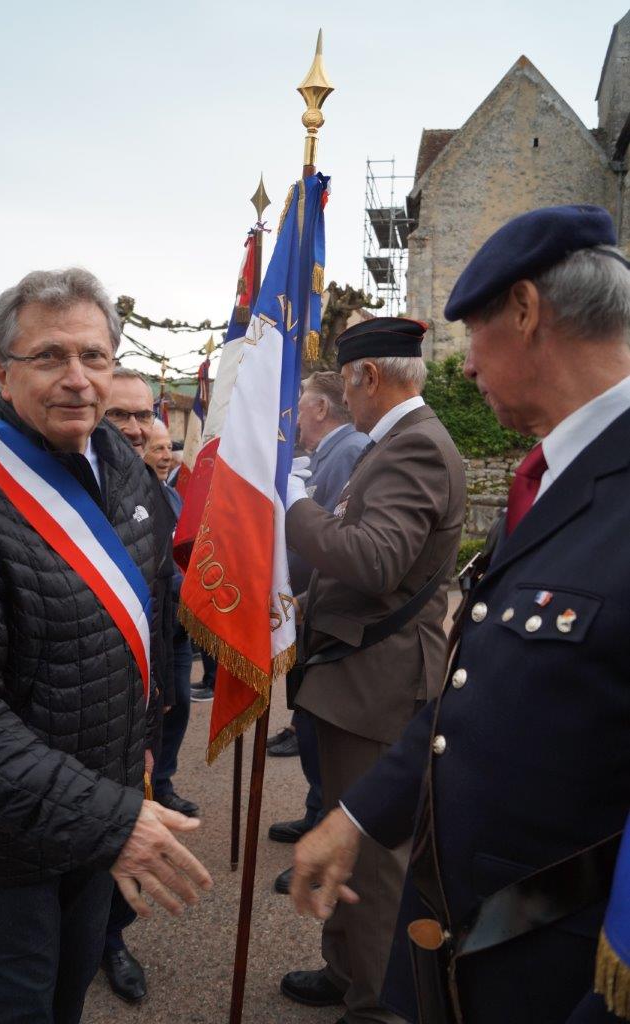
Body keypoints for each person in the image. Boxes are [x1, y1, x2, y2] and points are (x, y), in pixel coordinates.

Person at [290, 206, 630, 1024]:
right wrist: (361, 816)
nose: (465, 367)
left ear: (523, 311)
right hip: (472, 936)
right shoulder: (552, 470)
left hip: (563, 966)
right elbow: (479, 691)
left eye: (473, 333)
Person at [0, 269, 212, 1024]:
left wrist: (142, 750)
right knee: (18, 1004)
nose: (77, 380)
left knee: (66, 995)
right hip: (2, 833)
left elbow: (146, 617)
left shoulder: (121, 463)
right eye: (50, 357)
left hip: (104, 795)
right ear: (2, 372)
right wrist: (108, 817)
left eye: (94, 358)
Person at [281, 320, 466, 1024]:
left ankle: (378, 1004)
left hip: (377, 682)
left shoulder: (412, 443)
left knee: (373, 853)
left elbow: (374, 560)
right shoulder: (396, 442)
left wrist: (288, 504)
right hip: (358, 674)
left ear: (364, 377)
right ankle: (345, 969)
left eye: (345, 383)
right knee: (345, 831)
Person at [101, 376, 197, 1003]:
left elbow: (161, 607)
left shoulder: (153, 498)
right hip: (68, 705)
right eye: (121, 415)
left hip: (137, 702)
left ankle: (110, 937)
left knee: (121, 827)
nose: (136, 429)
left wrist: (160, 692)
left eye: (144, 416)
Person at [269, 371, 370, 896]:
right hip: (308, 609)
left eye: (301, 403)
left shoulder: (347, 451)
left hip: (320, 609)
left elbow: (337, 538)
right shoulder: (331, 451)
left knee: (319, 738)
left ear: (323, 409)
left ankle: (322, 827)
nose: (295, 413)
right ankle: (314, 814)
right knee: (309, 729)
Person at [144, 419, 199, 818]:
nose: (166, 456)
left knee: (178, 704)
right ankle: (141, 791)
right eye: (157, 448)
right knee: (149, 712)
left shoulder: (174, 497)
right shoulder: (125, 499)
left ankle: (162, 783)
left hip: (178, 628)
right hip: (149, 629)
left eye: (168, 448)